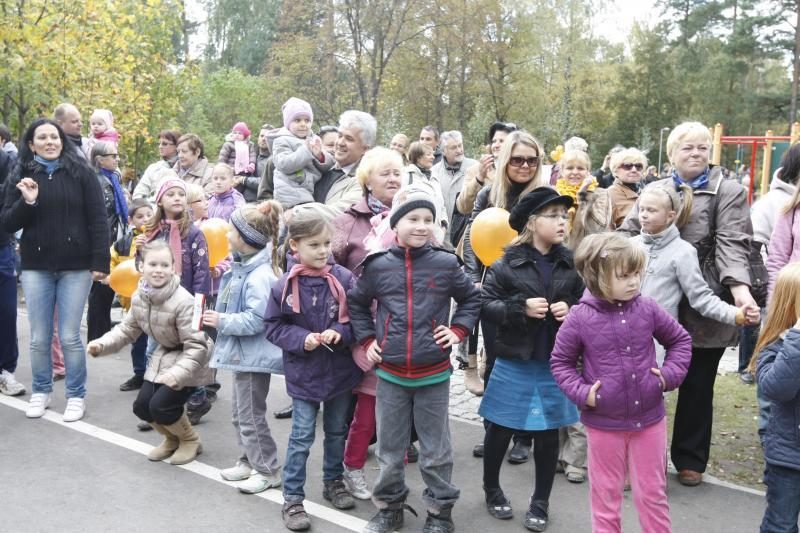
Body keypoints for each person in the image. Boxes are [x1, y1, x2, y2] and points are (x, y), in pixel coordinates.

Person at [618, 121, 756, 487]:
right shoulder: (656, 189)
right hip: (654, 297)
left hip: (703, 297)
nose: (695, 153)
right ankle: (641, 456)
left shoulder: (728, 190)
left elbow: (733, 243)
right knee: (644, 381)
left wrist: (740, 293)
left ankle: (690, 459)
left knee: (697, 384)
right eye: (687, 148)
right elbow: (628, 233)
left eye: (701, 147)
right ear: (672, 154)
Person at [347, 189, 479, 533]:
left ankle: (439, 511)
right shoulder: (377, 266)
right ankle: (390, 507)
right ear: (396, 223)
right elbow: (357, 304)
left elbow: (470, 299)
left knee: (436, 450)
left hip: (433, 374)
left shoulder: (447, 263)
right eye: (413, 219)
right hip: (390, 375)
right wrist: (367, 340)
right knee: (390, 450)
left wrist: (459, 330)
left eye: (428, 220)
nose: (422, 226)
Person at [551, 232, 692, 533]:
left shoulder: (648, 307)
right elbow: (560, 363)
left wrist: (668, 376)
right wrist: (583, 394)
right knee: (605, 496)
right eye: (624, 275)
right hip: (603, 425)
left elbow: (680, 340)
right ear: (597, 276)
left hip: (650, 421)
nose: (634, 282)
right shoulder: (579, 318)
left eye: (637, 274)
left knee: (653, 494)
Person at [479, 187, 583, 531]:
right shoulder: (506, 263)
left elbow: (587, 306)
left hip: (554, 363)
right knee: (501, 427)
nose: (561, 222)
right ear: (531, 222)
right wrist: (518, 308)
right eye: (552, 215)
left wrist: (572, 310)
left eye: (563, 216)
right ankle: (492, 488)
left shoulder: (570, 263)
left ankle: (541, 500)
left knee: (548, 432)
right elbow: (486, 306)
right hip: (515, 361)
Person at [1, 118, 110, 421]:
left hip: (76, 267)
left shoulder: (81, 173)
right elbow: (8, 222)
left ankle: (76, 395)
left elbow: (99, 219)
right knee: (38, 337)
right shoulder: (21, 174)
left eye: (54, 136)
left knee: (70, 335)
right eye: (42, 137)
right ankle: (41, 390)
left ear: (62, 140)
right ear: (31, 144)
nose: (50, 142)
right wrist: (29, 202)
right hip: (37, 267)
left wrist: (101, 262)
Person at [264, 206, 363, 531]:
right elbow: (273, 327)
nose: (323, 251)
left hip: (339, 372)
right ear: (295, 246)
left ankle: (333, 481)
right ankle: (292, 498)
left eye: (326, 244)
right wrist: (301, 338)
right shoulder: (283, 285)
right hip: (303, 374)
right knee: (302, 436)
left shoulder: (345, 279)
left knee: (336, 432)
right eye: (314, 245)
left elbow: (360, 321)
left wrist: (342, 331)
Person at [463, 130, 549, 461]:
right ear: (504, 161)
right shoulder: (488, 195)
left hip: (533, 290)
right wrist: (473, 281)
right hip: (494, 290)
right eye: (517, 159)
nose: (524, 165)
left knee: (529, 359)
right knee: (496, 362)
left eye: (532, 160)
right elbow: (473, 238)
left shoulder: (545, 195)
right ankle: (494, 430)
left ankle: (525, 435)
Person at [88, 240, 212, 465]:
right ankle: (171, 439)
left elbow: (198, 346)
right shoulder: (139, 296)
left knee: (161, 406)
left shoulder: (185, 301)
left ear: (174, 268)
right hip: (164, 355)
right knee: (142, 407)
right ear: (141, 267)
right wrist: (102, 344)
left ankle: (190, 440)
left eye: (165, 265)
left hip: (191, 360)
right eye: (153, 264)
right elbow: (127, 329)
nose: (158, 270)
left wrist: (177, 375)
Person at [205, 201, 285, 494]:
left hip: (254, 358)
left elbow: (258, 320)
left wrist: (222, 320)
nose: (226, 235)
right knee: (240, 414)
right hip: (243, 356)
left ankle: (267, 469)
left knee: (251, 415)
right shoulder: (243, 267)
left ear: (247, 238)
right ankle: (248, 459)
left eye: (232, 231)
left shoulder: (260, 275)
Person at [633, 182, 759, 338]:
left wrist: (736, 315)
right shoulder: (629, 246)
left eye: (651, 210)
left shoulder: (683, 252)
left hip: (657, 343)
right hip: (620, 340)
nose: (643, 215)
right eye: (641, 209)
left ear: (670, 216)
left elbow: (701, 298)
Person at [748, 263, 800, 532]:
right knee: (781, 525)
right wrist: (798, 339)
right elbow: (777, 388)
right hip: (788, 459)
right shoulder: (776, 346)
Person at [745, 145, 800, 386]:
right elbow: (777, 259)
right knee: (780, 372)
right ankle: (771, 424)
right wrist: (775, 304)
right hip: (790, 300)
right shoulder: (790, 210)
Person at [86, 141, 128, 346]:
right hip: (103, 244)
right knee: (99, 292)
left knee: (107, 289)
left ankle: (103, 332)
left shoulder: (112, 179)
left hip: (114, 241)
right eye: (113, 155)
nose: (116, 159)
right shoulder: (97, 181)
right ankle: (97, 336)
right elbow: (100, 217)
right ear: (100, 160)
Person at [109, 198, 153, 391]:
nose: (145, 219)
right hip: (132, 303)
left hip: (155, 301)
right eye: (140, 216)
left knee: (156, 342)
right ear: (130, 220)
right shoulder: (122, 243)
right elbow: (114, 266)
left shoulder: (159, 238)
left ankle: (155, 377)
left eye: (149, 215)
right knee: (138, 341)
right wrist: (109, 278)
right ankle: (140, 374)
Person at [270, 97, 333, 209]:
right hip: (290, 193)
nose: (303, 124)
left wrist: (320, 156)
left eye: (307, 120)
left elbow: (329, 166)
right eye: (297, 120)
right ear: (288, 123)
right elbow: (283, 164)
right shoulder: (281, 140)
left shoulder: (314, 139)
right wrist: (306, 151)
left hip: (310, 191)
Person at [314, 110, 377, 213]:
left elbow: (338, 213)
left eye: (349, 139)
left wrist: (295, 212)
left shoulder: (365, 181)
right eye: (339, 136)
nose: (340, 143)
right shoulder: (322, 165)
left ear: (365, 149)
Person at [0, 144, 23, 396]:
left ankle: (6, 372)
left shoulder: (5, 161)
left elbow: (10, 195)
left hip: (2, 248)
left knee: (6, 313)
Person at [430, 130, 477, 246]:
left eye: (460, 145)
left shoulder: (476, 168)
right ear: (444, 151)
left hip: (469, 238)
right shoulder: (433, 173)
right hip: (442, 240)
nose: (459, 150)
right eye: (454, 147)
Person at [403, 141, 447, 242]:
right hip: (414, 235)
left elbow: (442, 205)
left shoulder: (435, 177)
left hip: (437, 237)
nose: (433, 157)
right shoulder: (406, 176)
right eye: (428, 154)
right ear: (418, 157)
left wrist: (444, 226)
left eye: (433, 154)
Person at [133, 130, 181, 202]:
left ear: (176, 146)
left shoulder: (185, 167)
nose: (160, 147)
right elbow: (138, 194)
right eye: (159, 144)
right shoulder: (153, 168)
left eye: (165, 144)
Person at [607, 147, 646, 228]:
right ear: (615, 170)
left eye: (638, 166)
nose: (634, 169)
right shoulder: (609, 195)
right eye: (627, 166)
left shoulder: (646, 192)